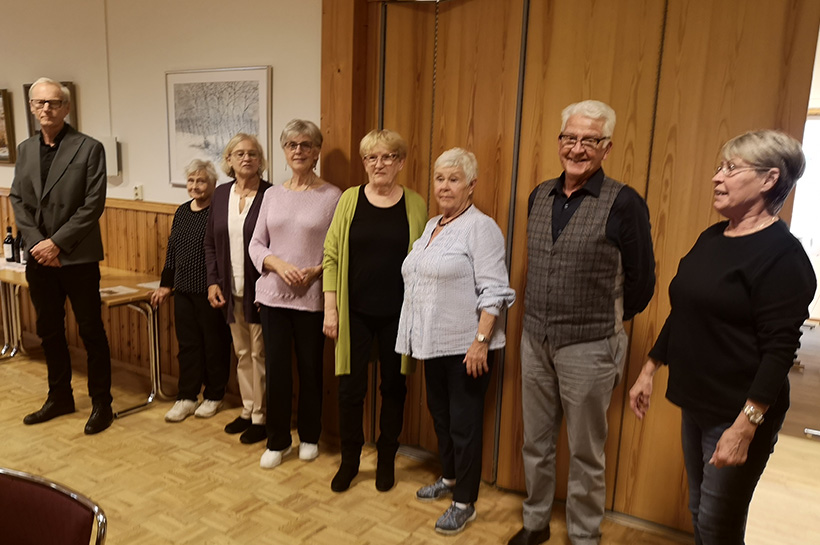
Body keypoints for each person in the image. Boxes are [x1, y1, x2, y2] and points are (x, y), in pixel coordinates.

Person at [629, 130, 815, 545]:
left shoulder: (784, 257)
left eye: (731, 168)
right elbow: (685, 312)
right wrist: (649, 369)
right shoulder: (712, 238)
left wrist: (746, 426)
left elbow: (780, 351)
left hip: (737, 412)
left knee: (718, 524)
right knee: (700, 511)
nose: (717, 177)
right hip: (697, 402)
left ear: (769, 179)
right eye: (720, 167)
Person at [510, 100, 655, 545]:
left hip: (591, 347)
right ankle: (535, 522)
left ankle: (584, 535)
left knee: (587, 451)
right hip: (535, 339)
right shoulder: (539, 195)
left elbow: (643, 282)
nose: (577, 148)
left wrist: (600, 320)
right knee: (535, 442)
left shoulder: (625, 202)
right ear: (560, 142)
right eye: (570, 138)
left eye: (589, 140)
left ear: (606, 148)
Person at [396, 148, 515, 535]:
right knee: (442, 417)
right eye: (439, 179)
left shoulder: (481, 228)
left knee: (464, 426)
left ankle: (465, 502)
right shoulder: (434, 224)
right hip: (432, 344)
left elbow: (495, 290)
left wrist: (481, 341)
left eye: (454, 179)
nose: (444, 186)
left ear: (471, 185)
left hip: (467, 350)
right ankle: (449, 478)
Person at [323, 129, 427, 493]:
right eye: (371, 157)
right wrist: (331, 309)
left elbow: (423, 261)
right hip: (355, 313)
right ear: (364, 163)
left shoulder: (416, 204)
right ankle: (350, 461)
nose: (378, 164)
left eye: (387, 157)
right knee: (350, 391)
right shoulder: (349, 200)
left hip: (399, 316)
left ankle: (386, 459)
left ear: (400, 162)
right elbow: (332, 255)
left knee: (394, 388)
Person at [9, 77, 114, 435]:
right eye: (39, 103)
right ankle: (59, 397)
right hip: (40, 259)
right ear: (31, 107)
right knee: (49, 331)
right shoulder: (25, 149)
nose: (46, 109)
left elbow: (93, 204)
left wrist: (57, 243)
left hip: (77, 257)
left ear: (66, 108)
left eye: (53, 103)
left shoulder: (88, 148)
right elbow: (17, 199)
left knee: (91, 331)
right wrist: (38, 243)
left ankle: (102, 403)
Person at [249, 119, 341, 469]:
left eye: (306, 145)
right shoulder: (272, 195)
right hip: (273, 296)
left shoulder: (332, 196)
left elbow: (336, 249)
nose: (299, 151)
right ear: (284, 151)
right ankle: (277, 441)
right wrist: (276, 264)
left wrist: (316, 270)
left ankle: (310, 436)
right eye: (292, 145)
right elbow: (256, 244)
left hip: (313, 297)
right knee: (277, 371)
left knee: (310, 369)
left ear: (317, 151)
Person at [152, 160, 232, 423]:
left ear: (213, 184)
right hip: (183, 290)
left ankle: (214, 395)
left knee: (214, 345)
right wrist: (166, 284)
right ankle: (187, 396)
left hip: (211, 290)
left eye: (201, 181)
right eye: (191, 181)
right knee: (188, 346)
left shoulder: (219, 212)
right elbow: (172, 250)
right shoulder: (182, 211)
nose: (195, 186)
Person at [205, 133, 272, 444]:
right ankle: (247, 409)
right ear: (229, 160)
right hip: (230, 290)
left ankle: (262, 416)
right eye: (240, 153)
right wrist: (213, 282)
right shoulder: (221, 194)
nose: (247, 158)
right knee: (243, 353)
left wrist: (268, 288)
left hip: (260, 292)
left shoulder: (271, 195)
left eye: (253, 153)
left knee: (260, 354)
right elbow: (210, 243)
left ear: (260, 160)